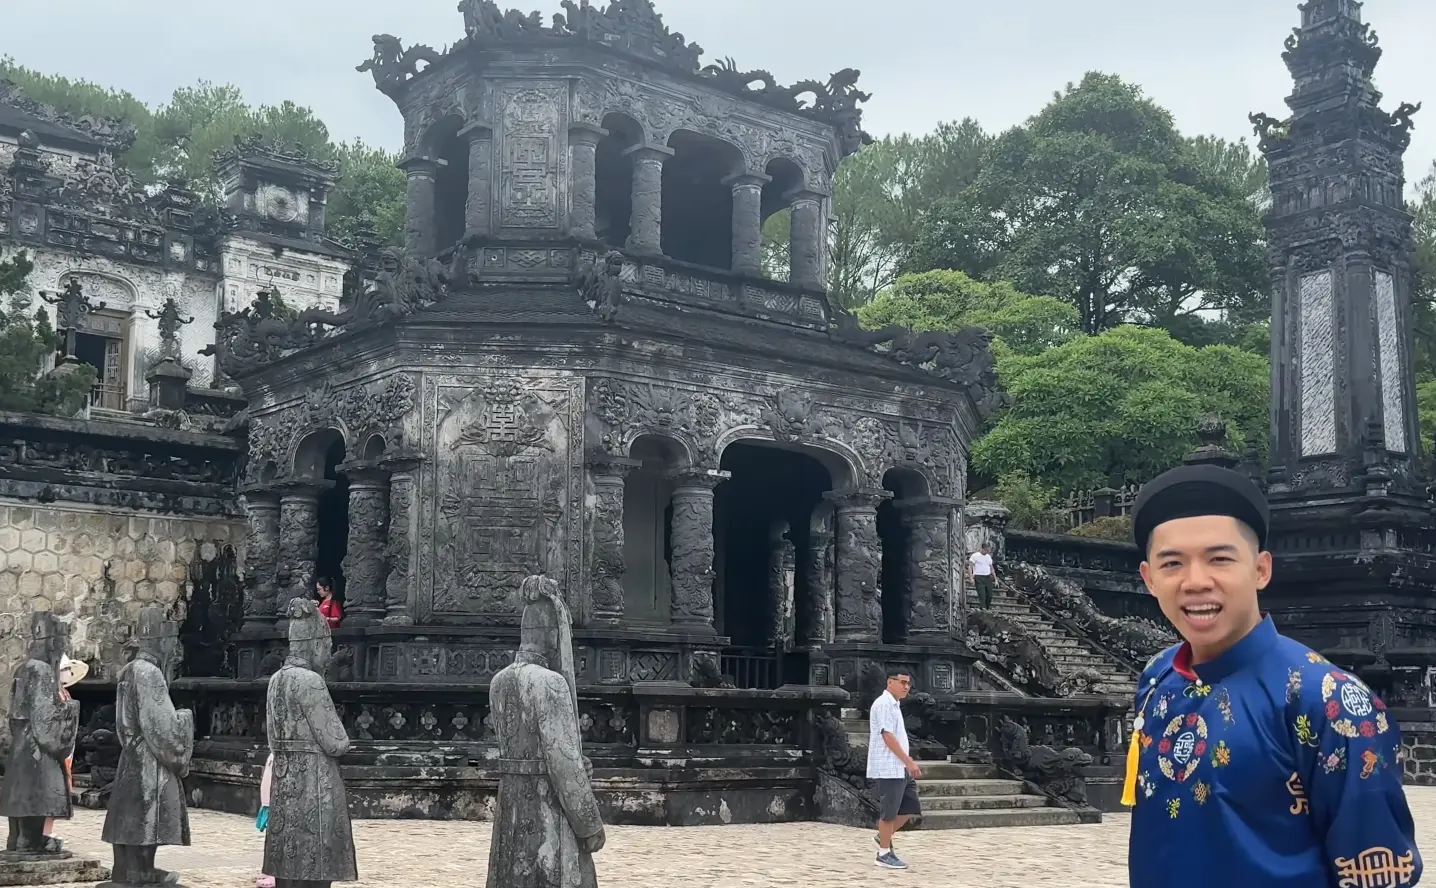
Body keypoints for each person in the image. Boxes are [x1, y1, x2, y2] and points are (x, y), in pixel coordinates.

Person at [1124, 464, 1420, 888]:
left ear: (1261, 569)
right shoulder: (1157, 679)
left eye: (1219, 559)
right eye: (1172, 564)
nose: (1195, 582)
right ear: (1149, 579)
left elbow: (1377, 871)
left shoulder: (1329, 701)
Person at [485, 575, 605, 888]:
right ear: (553, 634)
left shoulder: (499, 681)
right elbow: (562, 762)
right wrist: (589, 824)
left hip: (510, 801)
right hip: (546, 805)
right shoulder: (551, 683)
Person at [103, 607, 194, 887]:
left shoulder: (130, 669)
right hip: (148, 758)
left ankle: (126, 870)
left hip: (132, 753)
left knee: (129, 812)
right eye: (170, 640)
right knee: (146, 814)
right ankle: (141, 870)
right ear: (159, 640)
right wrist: (184, 719)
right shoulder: (149, 673)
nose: (173, 647)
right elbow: (161, 726)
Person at [867, 668, 921, 871]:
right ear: (890, 682)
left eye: (908, 684)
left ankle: (883, 836)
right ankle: (883, 854)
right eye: (902, 682)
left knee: (909, 807)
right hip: (889, 767)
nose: (906, 687)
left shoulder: (895, 705)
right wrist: (908, 761)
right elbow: (887, 735)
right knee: (889, 812)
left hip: (900, 767)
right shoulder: (883, 704)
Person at [41, 655, 88, 850]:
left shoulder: (64, 693)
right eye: (65, 669)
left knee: (60, 790)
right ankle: (44, 832)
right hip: (56, 746)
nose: (68, 673)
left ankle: (47, 831)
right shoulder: (53, 694)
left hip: (66, 747)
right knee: (52, 791)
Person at [254, 754, 274, 888]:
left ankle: (275, 873)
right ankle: (268, 870)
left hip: (275, 802)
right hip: (268, 802)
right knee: (270, 838)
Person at [968, 542, 996, 609]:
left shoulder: (988, 557)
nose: (987, 552)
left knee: (989, 595)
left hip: (987, 577)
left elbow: (991, 568)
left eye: (988, 550)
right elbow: (970, 567)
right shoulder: (975, 555)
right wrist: (971, 578)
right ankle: (983, 608)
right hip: (978, 577)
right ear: (982, 549)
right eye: (986, 550)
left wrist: (995, 579)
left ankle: (987, 608)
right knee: (982, 595)